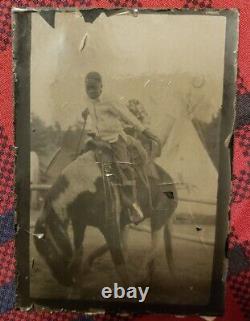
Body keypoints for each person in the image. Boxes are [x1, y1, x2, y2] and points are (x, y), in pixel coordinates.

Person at [82, 71, 154, 223]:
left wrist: (143, 130)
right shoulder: (88, 99)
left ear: (101, 86)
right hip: (100, 141)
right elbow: (93, 117)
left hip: (115, 139)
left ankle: (134, 205)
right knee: (96, 167)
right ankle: (101, 203)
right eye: (88, 88)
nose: (91, 91)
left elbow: (126, 114)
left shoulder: (110, 99)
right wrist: (90, 127)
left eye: (94, 88)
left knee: (123, 167)